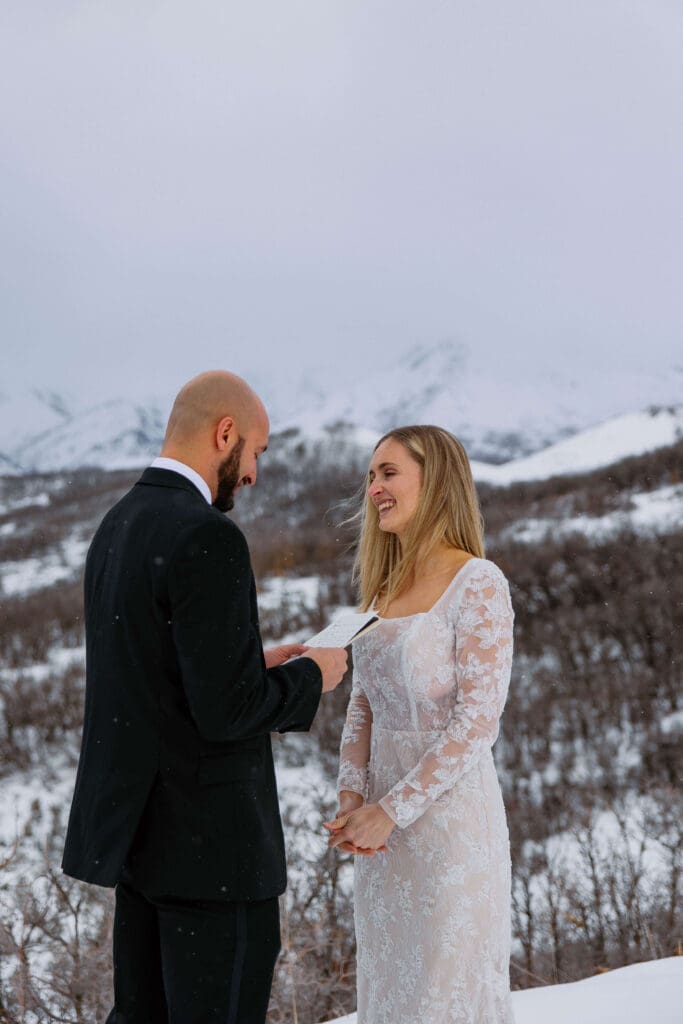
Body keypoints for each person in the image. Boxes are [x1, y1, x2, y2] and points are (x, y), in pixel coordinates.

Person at [62, 370, 348, 1024]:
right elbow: (228, 712)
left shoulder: (119, 522)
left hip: (143, 848)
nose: (253, 473)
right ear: (225, 434)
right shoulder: (207, 535)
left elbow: (151, 676)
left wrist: (252, 660)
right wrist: (314, 675)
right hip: (212, 855)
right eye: (256, 452)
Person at [325, 424, 515, 1024]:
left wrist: (393, 809)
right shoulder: (382, 587)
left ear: (434, 483)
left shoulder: (478, 582)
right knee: (391, 997)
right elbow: (363, 702)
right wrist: (354, 799)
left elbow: (478, 721)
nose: (374, 488)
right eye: (370, 476)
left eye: (388, 473)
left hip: (450, 828)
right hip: (382, 840)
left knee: (443, 995)